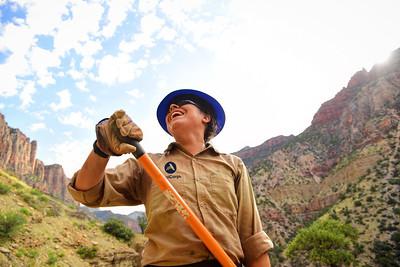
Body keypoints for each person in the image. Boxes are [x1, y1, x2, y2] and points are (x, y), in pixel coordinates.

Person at [68, 89, 273, 267]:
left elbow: (252, 238)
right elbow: (87, 192)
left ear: (206, 117)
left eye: (183, 103)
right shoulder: (147, 164)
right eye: (169, 110)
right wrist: (101, 149)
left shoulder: (233, 165)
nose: (172, 107)